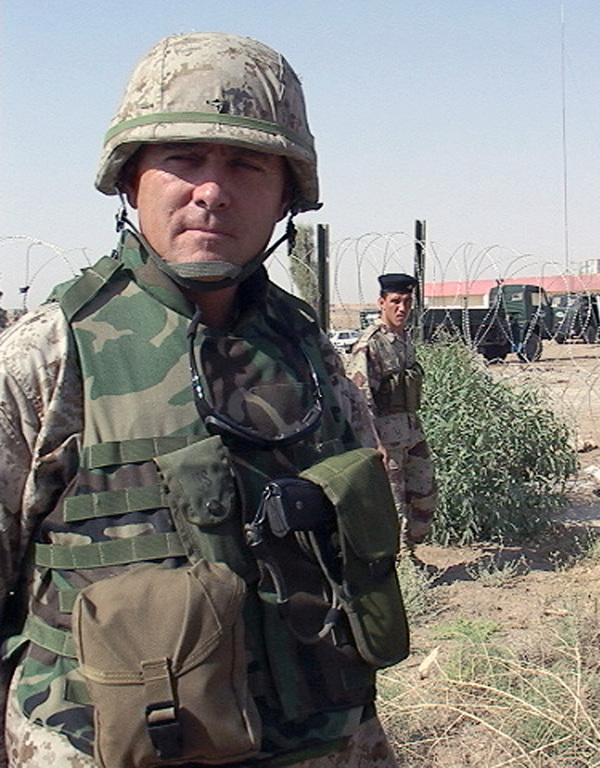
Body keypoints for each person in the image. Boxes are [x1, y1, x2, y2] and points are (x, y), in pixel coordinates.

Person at [0, 32, 404, 767]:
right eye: (182, 160)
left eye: (247, 165)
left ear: (287, 194)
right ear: (130, 181)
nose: (212, 190)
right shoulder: (48, 357)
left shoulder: (310, 352)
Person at [348, 274, 436, 550]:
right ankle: (399, 565)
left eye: (407, 302)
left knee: (424, 493)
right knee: (393, 503)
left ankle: (412, 549)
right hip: (385, 437)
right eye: (395, 301)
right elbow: (359, 400)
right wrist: (376, 446)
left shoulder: (403, 339)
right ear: (381, 303)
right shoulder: (370, 343)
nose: (402, 308)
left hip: (410, 431)